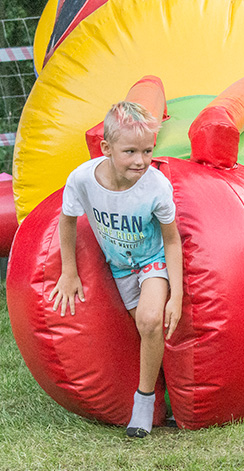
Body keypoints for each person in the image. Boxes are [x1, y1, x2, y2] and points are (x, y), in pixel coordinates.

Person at [48, 101, 183, 439]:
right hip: (120, 268)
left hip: (152, 261)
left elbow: (172, 241)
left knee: (151, 320)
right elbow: (66, 221)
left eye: (148, 151)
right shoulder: (83, 179)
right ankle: (162, 389)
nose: (140, 160)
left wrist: (176, 295)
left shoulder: (156, 187)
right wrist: (69, 271)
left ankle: (144, 402)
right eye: (130, 151)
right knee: (144, 330)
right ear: (107, 148)